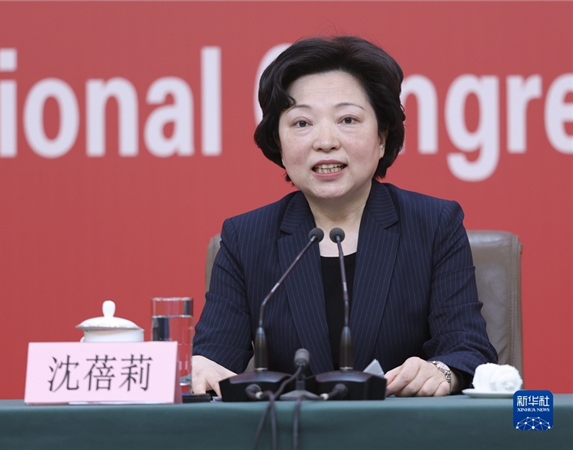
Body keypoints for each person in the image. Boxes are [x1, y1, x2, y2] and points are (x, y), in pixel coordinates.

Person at [192, 36, 497, 397]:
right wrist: (198, 367)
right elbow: (213, 361)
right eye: (302, 123)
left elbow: (468, 350)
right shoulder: (246, 238)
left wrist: (442, 372)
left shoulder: (433, 225)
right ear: (279, 143)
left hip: (400, 425)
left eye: (347, 119)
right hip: (289, 427)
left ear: (382, 137)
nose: (325, 141)